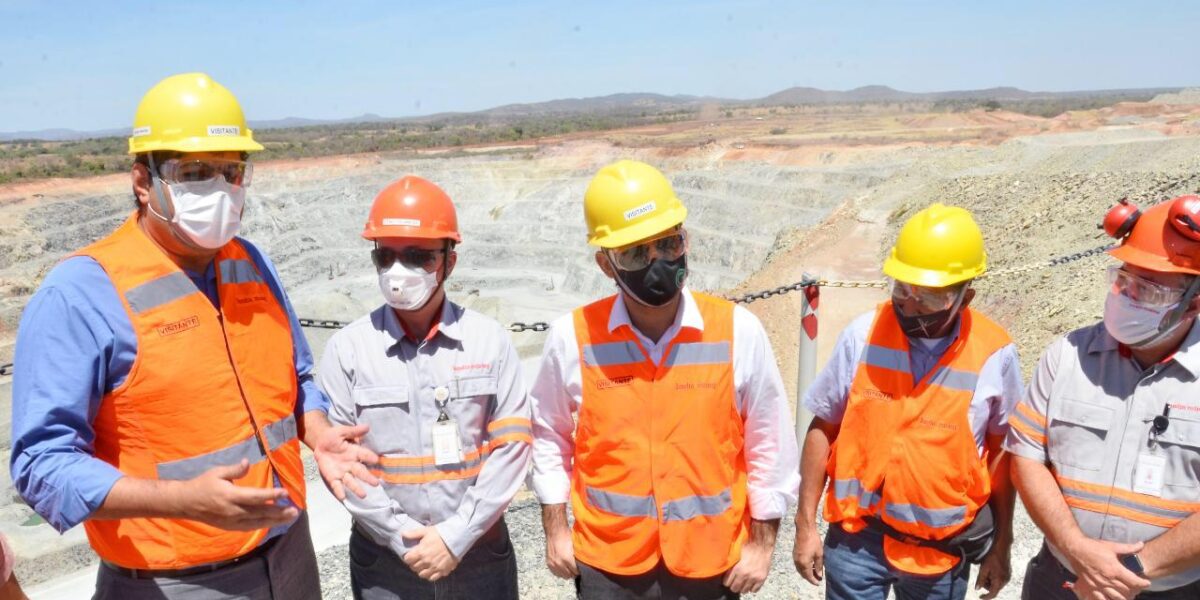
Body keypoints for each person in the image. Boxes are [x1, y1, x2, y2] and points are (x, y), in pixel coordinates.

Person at [10, 72, 378, 599]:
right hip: (175, 581)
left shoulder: (250, 262)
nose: (221, 190)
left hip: (289, 554)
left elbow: (295, 380)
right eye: (196, 171)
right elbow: (41, 464)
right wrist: (175, 499)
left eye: (232, 171)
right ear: (143, 181)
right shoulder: (81, 294)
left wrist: (318, 433)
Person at [529, 159, 799, 599]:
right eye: (636, 252)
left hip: (711, 562)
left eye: (668, 243)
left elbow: (769, 441)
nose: (657, 262)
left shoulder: (738, 329)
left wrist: (762, 545)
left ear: (684, 240)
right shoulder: (571, 338)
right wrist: (556, 530)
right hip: (609, 564)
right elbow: (547, 435)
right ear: (605, 264)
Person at [318, 176, 532, 599]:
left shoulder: (489, 342)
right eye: (386, 256)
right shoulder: (347, 350)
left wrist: (456, 536)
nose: (399, 271)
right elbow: (343, 467)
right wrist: (403, 537)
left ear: (450, 261)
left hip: (478, 555)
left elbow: (513, 448)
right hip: (387, 561)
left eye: (418, 256)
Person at [793, 203, 1021, 600]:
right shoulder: (862, 336)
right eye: (902, 289)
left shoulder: (994, 355)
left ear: (966, 296)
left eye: (929, 297)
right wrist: (805, 526)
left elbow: (1005, 455)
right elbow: (823, 428)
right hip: (856, 542)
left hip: (940, 554)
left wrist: (1001, 546)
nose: (910, 305)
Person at [1007, 195, 1200, 600]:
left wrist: (1127, 571)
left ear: (1194, 304)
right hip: (1060, 578)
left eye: (1147, 290)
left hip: (1168, 589)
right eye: (1123, 279)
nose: (1127, 296)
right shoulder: (1068, 356)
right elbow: (1026, 457)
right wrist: (1078, 551)